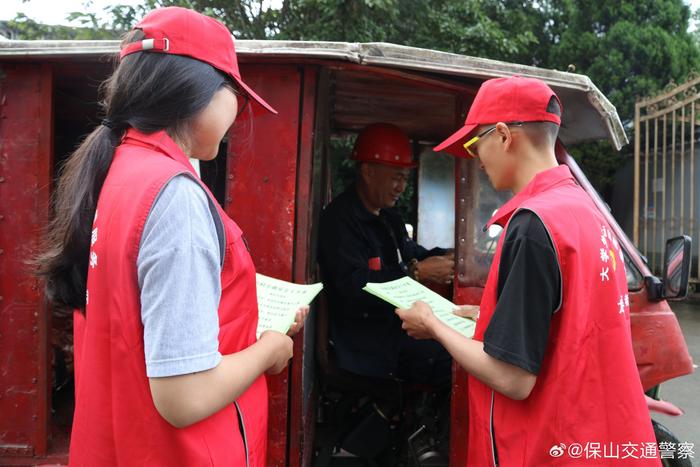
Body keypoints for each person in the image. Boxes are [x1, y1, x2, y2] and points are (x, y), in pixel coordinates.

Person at [34, 7, 307, 466]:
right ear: (198, 90)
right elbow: (184, 395)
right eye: (234, 94)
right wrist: (269, 349)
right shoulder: (174, 197)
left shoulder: (116, 172)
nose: (237, 112)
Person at [396, 76, 659, 466]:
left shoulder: (533, 224)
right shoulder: (585, 210)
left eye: (474, 142)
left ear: (503, 135)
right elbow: (572, 323)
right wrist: (491, 318)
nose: (475, 157)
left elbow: (513, 379)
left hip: (546, 447)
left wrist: (433, 325)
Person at [318, 123, 454, 387]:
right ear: (368, 171)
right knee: (452, 357)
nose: (401, 187)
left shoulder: (389, 215)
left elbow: (411, 252)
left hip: (393, 328)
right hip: (364, 342)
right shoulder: (340, 220)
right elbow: (353, 286)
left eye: (404, 178)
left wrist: (450, 256)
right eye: (396, 177)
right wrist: (416, 273)